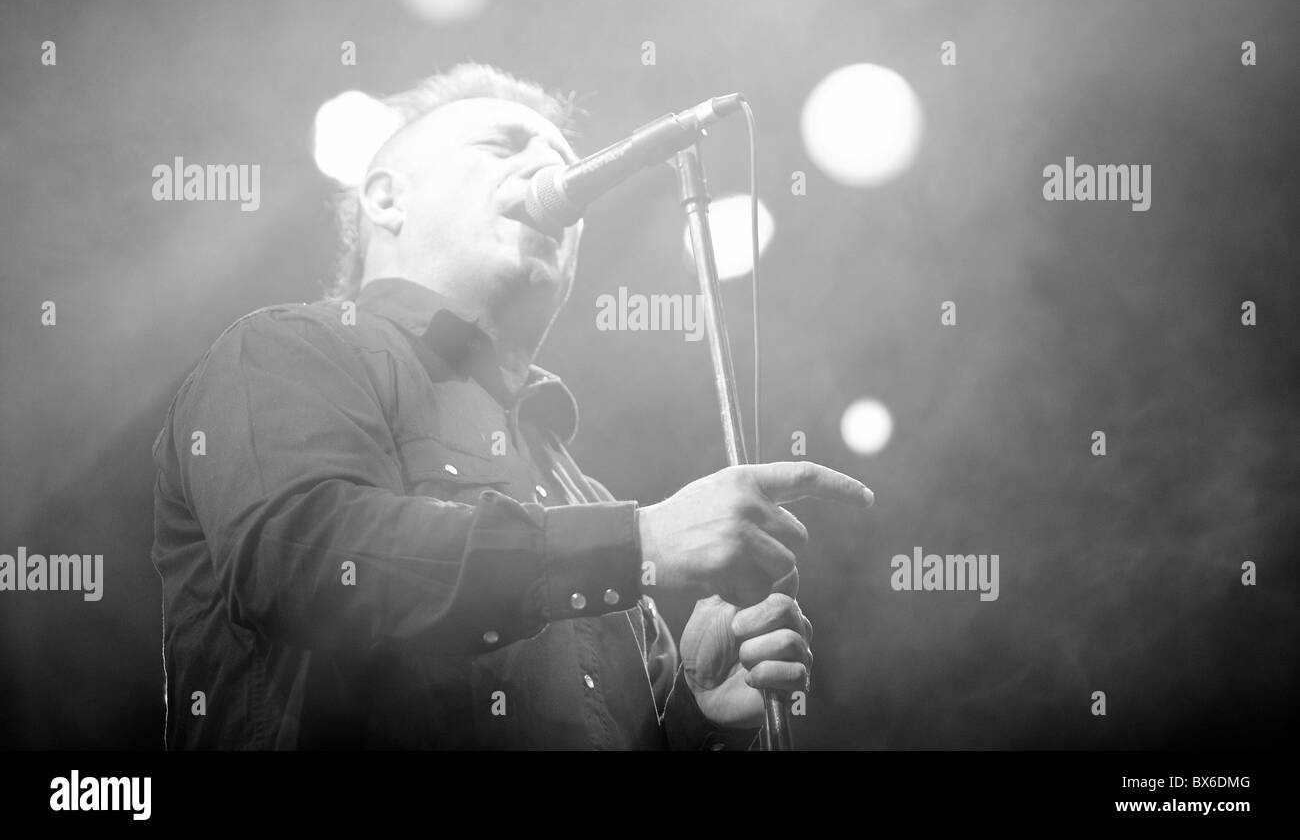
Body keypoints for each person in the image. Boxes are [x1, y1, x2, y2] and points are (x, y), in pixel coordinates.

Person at [151, 62, 874, 749]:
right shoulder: (287, 349)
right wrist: (639, 544)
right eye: (503, 145)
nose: (549, 170)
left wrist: (696, 715)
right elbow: (296, 558)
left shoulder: (575, 488)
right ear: (386, 198)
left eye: (560, 152)